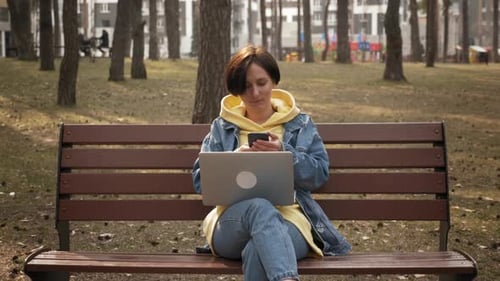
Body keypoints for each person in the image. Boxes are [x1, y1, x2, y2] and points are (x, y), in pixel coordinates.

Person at [192, 45, 351, 281]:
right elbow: (200, 181)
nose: (255, 92)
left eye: (261, 83)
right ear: (236, 90)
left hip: (290, 222)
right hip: (231, 224)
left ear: (274, 81)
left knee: (258, 250)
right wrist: (234, 158)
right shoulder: (222, 127)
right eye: (246, 86)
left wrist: (286, 153)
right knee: (259, 206)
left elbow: (319, 173)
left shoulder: (299, 125)